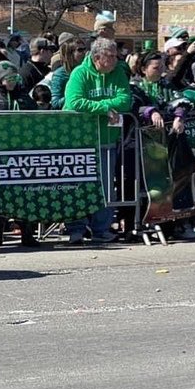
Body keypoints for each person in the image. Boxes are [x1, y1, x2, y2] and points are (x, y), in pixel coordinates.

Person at [63, 38, 132, 244]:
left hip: (107, 140)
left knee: (104, 187)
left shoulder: (118, 72)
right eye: (110, 56)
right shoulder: (79, 74)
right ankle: (76, 228)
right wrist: (105, 108)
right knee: (78, 186)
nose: (115, 60)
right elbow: (74, 102)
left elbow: (125, 101)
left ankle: (101, 229)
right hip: (80, 141)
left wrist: (102, 105)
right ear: (96, 57)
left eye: (115, 55)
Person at [0, 61, 39, 248]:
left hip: (21, 151)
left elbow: (35, 113)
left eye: (14, 78)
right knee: (0, 193)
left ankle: (28, 234)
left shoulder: (23, 95)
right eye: (7, 79)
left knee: (24, 192)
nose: (11, 82)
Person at [51, 36, 88, 109]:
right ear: (70, 54)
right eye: (80, 50)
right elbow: (55, 103)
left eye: (85, 49)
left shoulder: (87, 71)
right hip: (68, 114)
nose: (84, 52)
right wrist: (74, 95)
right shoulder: (60, 74)